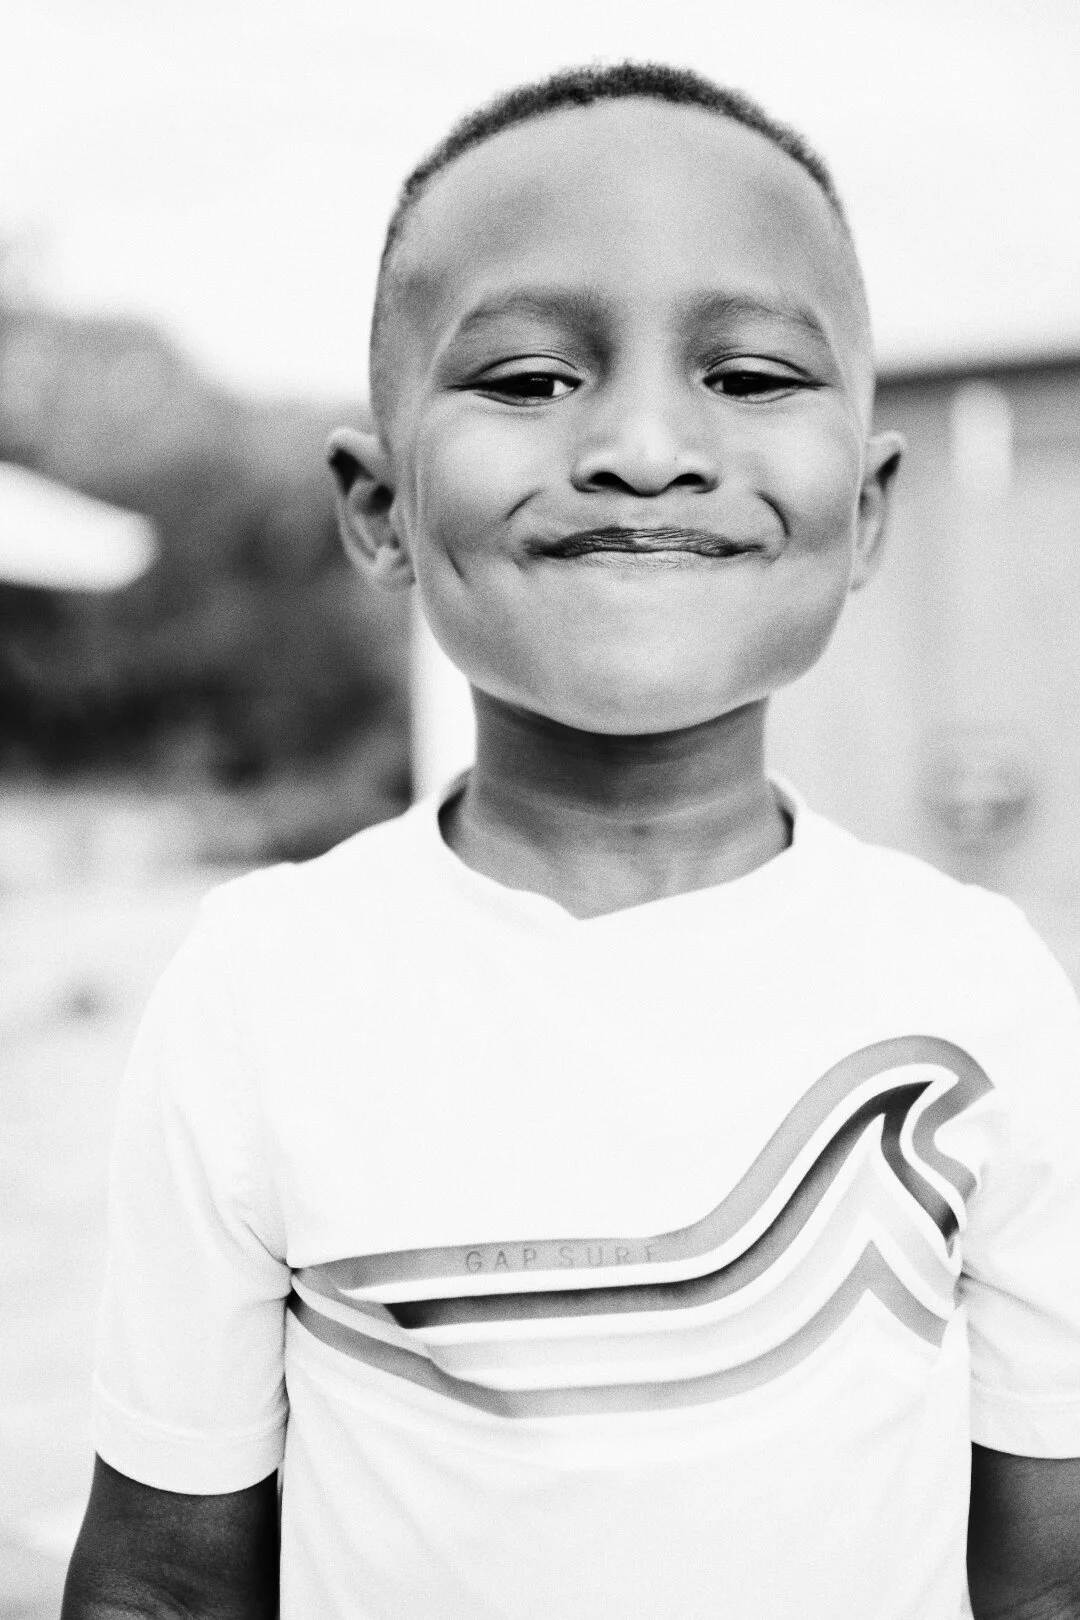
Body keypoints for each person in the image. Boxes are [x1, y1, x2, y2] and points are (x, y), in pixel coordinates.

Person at [62, 61, 1080, 1620]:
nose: (646, 445)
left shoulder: (982, 995)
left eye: (747, 376)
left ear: (867, 511)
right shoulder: (266, 990)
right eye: (532, 379)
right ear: (380, 507)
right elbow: (161, 1587)